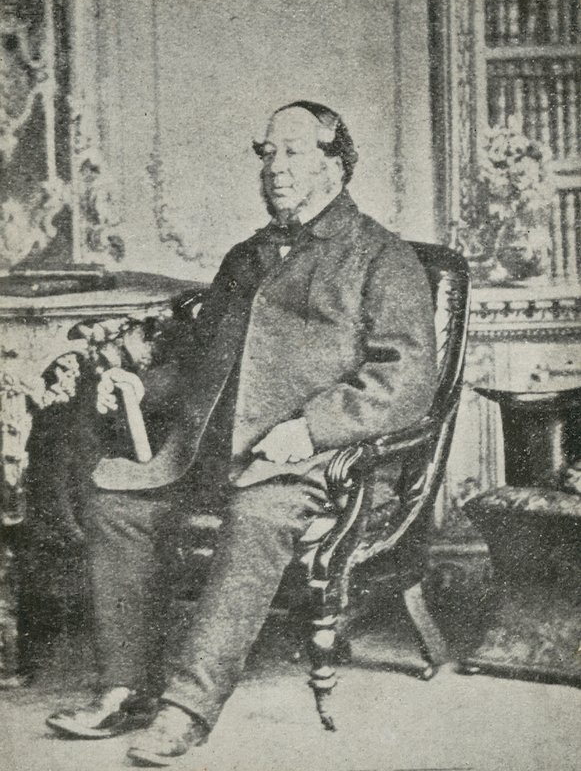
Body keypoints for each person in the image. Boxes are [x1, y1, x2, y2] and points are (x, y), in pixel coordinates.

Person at [45, 101, 437, 767]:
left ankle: (186, 709)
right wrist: (140, 387)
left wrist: (310, 430)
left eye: (293, 152)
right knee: (117, 503)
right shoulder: (247, 257)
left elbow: (403, 379)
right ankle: (124, 687)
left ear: (335, 163)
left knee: (256, 516)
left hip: (320, 464)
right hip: (216, 451)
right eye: (267, 153)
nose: (275, 167)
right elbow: (203, 362)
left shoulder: (381, 257)